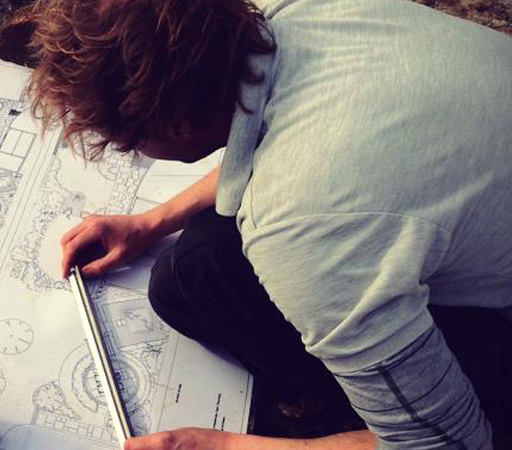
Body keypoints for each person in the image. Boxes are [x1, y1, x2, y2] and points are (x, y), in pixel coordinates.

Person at [27, 0, 512, 449]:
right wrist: (152, 221)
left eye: (129, 144)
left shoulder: (302, 232)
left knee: (219, 271)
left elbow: (450, 445)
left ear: (176, 127)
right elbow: (297, 139)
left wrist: (229, 445)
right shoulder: (290, 14)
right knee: (192, 271)